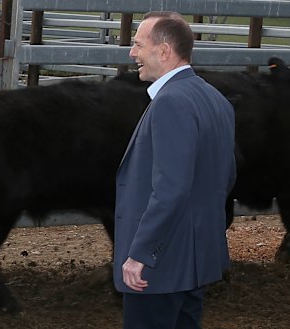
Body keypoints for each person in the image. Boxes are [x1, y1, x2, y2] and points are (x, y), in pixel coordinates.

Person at [113, 11, 236, 329]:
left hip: (161, 265)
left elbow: (171, 188)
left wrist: (140, 253)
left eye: (138, 45)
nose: (132, 53)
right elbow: (226, 177)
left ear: (164, 51)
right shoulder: (215, 99)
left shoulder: (171, 102)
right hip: (195, 262)